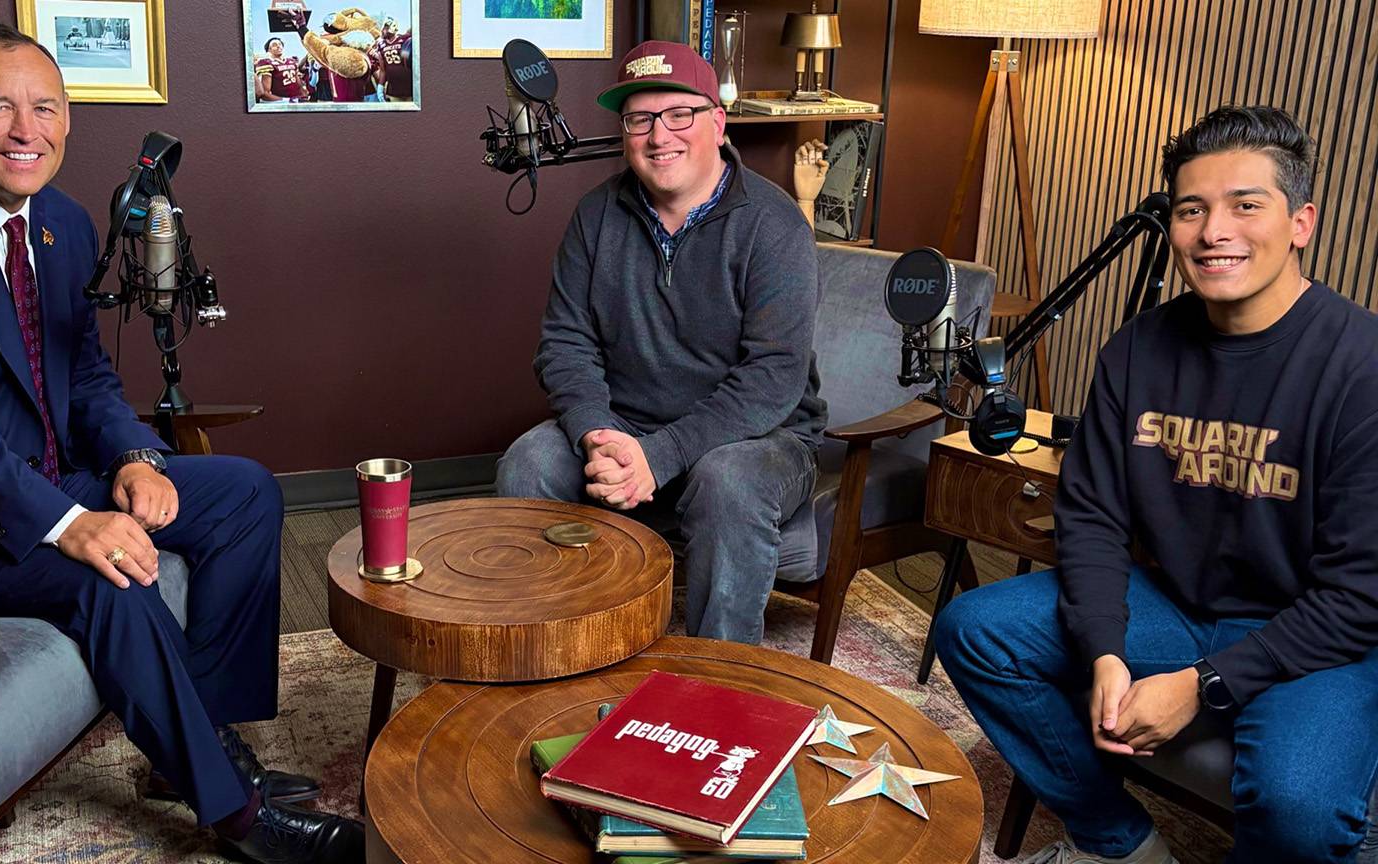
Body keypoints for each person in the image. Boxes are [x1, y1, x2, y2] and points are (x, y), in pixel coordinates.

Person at [0, 21, 361, 864]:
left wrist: (133, 458)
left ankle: (202, 735)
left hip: (43, 482)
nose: (25, 130)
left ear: (67, 120)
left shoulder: (64, 223)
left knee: (242, 494)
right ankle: (237, 816)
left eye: (44, 107)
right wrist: (68, 524)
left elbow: (84, 376)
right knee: (108, 576)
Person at [933, 105, 1378, 863]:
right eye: (1191, 209)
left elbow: (1360, 596)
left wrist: (1200, 686)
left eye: (1246, 205)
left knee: (1298, 804)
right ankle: (1121, 844)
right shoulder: (1139, 348)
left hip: (1314, 636)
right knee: (975, 630)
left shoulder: (1361, 364)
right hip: (1176, 604)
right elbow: (1092, 518)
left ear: (1300, 222)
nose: (1214, 231)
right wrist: (1104, 650)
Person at [494, 40, 825, 643]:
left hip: (762, 438)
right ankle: (549, 654)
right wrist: (596, 431)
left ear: (717, 123)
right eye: (640, 119)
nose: (658, 135)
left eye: (679, 115)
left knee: (729, 479)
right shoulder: (596, 215)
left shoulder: (774, 226)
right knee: (529, 461)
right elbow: (566, 342)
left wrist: (660, 455)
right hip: (625, 424)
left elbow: (773, 379)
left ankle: (715, 683)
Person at [255, 37, 308, 103]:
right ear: (269, 50)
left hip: (297, 99)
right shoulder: (266, 63)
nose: (278, 46)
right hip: (282, 102)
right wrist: (285, 100)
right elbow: (265, 93)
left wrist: (304, 94)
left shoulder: (291, 61)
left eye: (280, 44)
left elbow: (298, 84)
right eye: (274, 45)